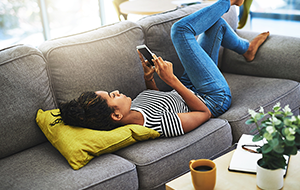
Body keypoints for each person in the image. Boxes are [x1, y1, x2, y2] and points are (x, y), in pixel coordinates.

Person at [54, 0, 269, 137]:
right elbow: (204, 113)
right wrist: (172, 80)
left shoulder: (133, 108)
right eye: (112, 95)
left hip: (189, 87)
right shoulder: (158, 126)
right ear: (117, 115)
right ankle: (229, 1)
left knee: (215, 25)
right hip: (212, 98)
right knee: (180, 30)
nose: (117, 91)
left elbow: (160, 101)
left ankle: (247, 49)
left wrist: (150, 79)